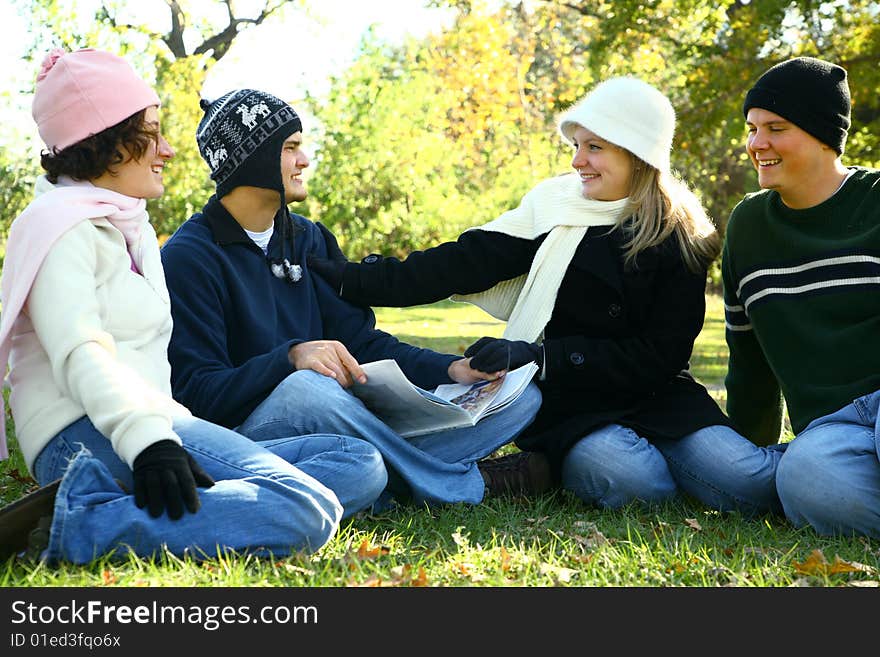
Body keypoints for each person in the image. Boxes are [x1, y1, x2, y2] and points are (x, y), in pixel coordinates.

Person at [309, 76, 783, 514]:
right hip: (575, 405)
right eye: (577, 146)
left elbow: (660, 354)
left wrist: (542, 355)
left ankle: (579, 469)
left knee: (749, 483)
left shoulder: (680, 235)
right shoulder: (556, 208)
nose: (578, 161)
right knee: (638, 483)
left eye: (594, 148)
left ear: (638, 155)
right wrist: (355, 279)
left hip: (660, 396)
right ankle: (550, 469)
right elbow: (458, 263)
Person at [0, 48, 388, 564]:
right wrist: (149, 444)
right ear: (109, 139)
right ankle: (77, 525)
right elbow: (80, 352)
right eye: (152, 132)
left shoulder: (130, 230)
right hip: (85, 435)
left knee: (359, 462)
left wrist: (167, 436)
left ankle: (140, 508)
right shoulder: (59, 228)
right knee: (306, 507)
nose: (168, 149)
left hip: (161, 423)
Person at [159, 88, 542, 509]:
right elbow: (199, 395)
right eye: (290, 148)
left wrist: (452, 368)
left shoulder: (309, 239)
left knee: (519, 397)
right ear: (250, 159)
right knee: (307, 387)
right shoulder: (188, 257)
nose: (304, 161)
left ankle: (392, 483)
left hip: (343, 422)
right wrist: (290, 358)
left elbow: (362, 344)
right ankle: (462, 484)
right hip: (254, 434)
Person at [722, 56, 880, 537]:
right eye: (751, 129)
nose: (756, 144)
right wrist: (747, 449)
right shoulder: (748, 227)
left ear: (822, 134)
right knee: (805, 477)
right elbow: (748, 361)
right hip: (833, 431)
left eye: (776, 127)